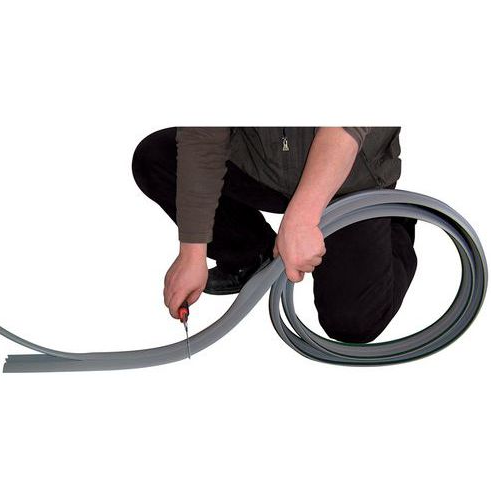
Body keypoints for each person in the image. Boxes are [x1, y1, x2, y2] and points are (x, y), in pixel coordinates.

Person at [131, 127, 417, 344]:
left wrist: (302, 218)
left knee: (353, 322)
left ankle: (392, 220)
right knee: (156, 158)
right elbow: (203, 135)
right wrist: (192, 252)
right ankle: (250, 255)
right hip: (263, 162)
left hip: (349, 176)